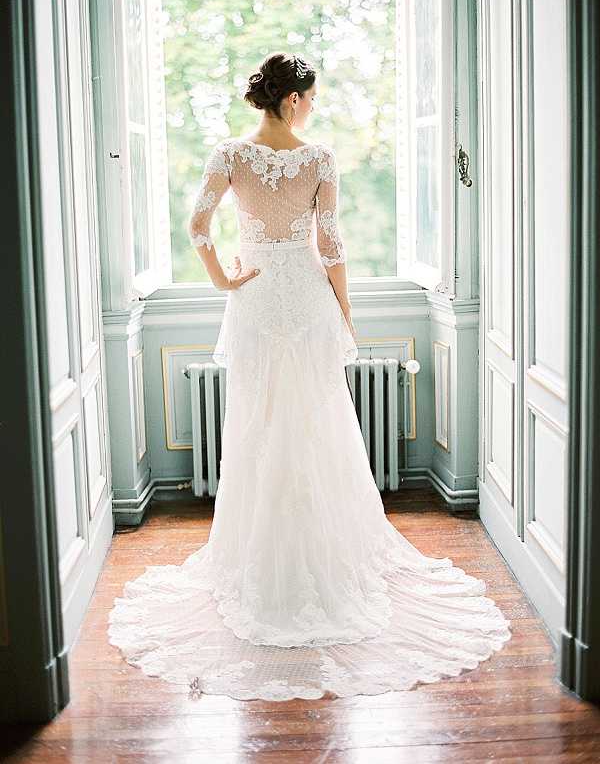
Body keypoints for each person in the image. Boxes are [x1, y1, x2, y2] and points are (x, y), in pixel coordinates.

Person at [108, 52, 511, 701]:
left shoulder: (228, 155)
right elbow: (332, 245)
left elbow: (196, 225)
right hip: (306, 300)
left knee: (259, 427)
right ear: (293, 98)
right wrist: (345, 315)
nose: (315, 107)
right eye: (313, 97)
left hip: (256, 300)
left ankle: (259, 565)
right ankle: (318, 567)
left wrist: (224, 280)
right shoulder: (319, 158)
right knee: (319, 426)